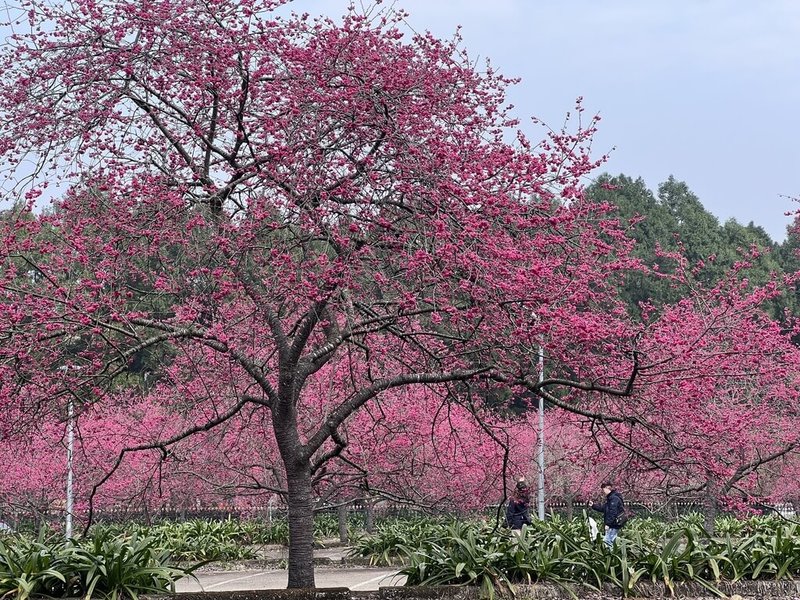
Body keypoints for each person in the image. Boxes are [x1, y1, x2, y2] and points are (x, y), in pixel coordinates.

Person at [588, 481, 625, 547]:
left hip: (613, 524)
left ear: (607, 488)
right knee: (612, 540)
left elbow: (612, 512)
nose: (603, 491)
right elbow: (604, 508)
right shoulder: (611, 498)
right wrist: (593, 505)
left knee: (607, 541)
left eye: (603, 489)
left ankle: (610, 556)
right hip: (614, 524)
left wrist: (608, 524)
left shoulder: (614, 499)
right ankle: (613, 554)